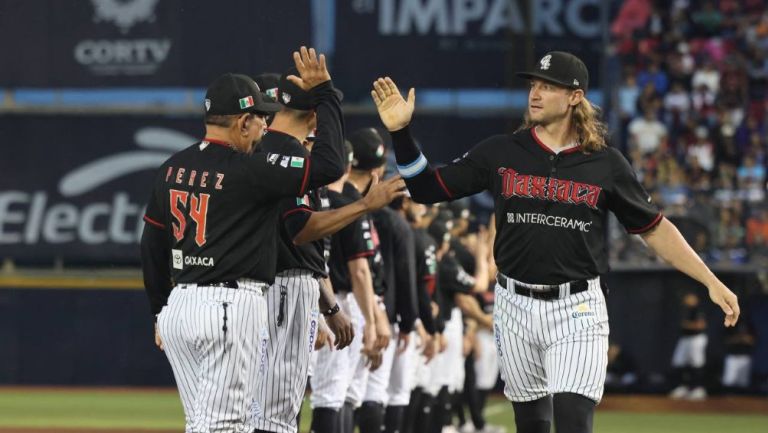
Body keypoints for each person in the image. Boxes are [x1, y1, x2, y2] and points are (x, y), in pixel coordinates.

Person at [370, 51, 740, 433]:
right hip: (513, 303)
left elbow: (653, 228)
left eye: (549, 86)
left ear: (575, 97)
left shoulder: (605, 164)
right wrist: (401, 133)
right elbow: (427, 189)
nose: (536, 93)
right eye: (533, 84)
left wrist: (710, 280)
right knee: (531, 425)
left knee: (573, 423)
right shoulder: (501, 151)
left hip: (576, 308)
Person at [140, 47, 349, 433]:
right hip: (228, 307)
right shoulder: (252, 169)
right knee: (225, 426)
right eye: (259, 119)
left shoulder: (172, 167)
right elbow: (331, 165)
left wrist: (158, 311)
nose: (265, 128)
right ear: (242, 121)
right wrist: (325, 94)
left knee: (201, 422)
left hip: (179, 308)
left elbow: (151, 247)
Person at [251, 69, 405, 433]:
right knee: (275, 413)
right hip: (279, 290)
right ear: (315, 118)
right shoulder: (285, 155)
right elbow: (303, 232)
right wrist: (366, 206)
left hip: (261, 287)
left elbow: (297, 249)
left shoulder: (255, 153)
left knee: (257, 408)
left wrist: (328, 306)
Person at [669, 292, 708, 401]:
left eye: (690, 298)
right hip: (685, 339)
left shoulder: (697, 310)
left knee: (697, 364)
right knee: (678, 362)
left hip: (696, 339)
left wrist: (687, 325)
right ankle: (682, 388)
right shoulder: (685, 310)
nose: (687, 300)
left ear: (695, 299)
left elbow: (701, 325)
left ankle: (699, 389)